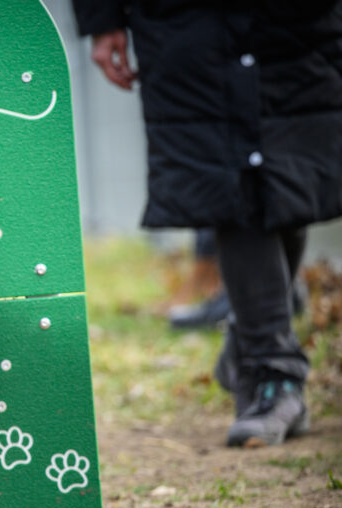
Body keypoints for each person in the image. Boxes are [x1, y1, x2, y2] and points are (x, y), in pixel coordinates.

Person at [74, 1, 342, 446]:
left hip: (293, 21)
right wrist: (100, 19)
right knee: (226, 180)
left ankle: (251, 339)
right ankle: (270, 376)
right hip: (186, 20)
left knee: (292, 172)